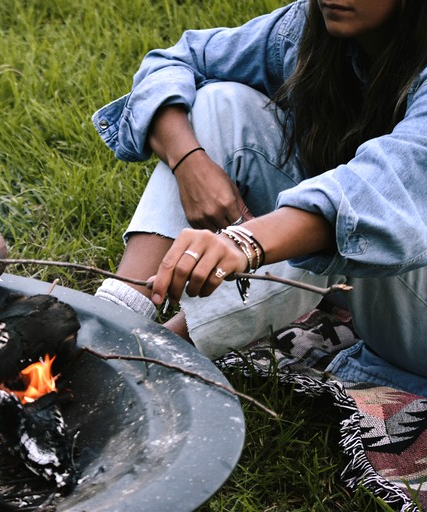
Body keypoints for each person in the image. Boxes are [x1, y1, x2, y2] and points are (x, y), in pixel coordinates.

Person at [92, 0, 427, 394]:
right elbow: (177, 59)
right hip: (371, 280)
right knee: (222, 103)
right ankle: (114, 315)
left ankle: (144, 355)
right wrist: (189, 163)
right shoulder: (306, 26)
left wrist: (244, 242)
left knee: (344, 210)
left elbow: (378, 190)